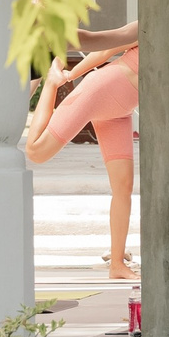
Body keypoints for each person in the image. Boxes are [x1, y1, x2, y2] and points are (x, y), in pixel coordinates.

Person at [25, 19, 142, 280]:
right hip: (100, 90)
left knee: (123, 186)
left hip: (120, 111)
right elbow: (105, 50)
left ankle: (117, 264)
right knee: (36, 152)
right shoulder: (148, 24)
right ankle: (50, 83)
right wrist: (68, 76)